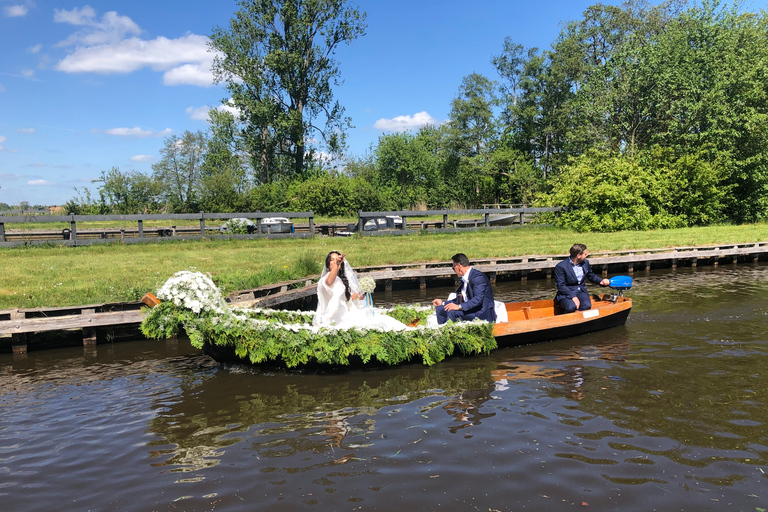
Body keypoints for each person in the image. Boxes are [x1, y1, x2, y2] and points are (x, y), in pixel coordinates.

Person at [313, 251, 407, 330]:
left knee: (378, 320)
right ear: (328, 263)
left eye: (337, 260)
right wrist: (336, 265)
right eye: (332, 260)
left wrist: (356, 296)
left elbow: (344, 299)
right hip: (333, 318)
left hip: (344, 313)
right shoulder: (325, 279)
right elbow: (329, 282)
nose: (335, 262)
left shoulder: (340, 280)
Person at [432, 253, 496, 325]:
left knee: (452, 312)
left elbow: (478, 299)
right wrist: (443, 303)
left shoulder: (477, 277)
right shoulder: (464, 279)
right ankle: (442, 331)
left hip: (481, 313)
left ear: (459, 266)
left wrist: (459, 307)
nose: (454, 271)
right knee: (440, 309)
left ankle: (451, 334)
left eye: (453, 268)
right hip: (470, 310)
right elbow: (460, 299)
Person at [554, 243, 610, 313]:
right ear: (578, 256)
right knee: (571, 307)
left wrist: (601, 281)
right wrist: (573, 296)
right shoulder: (561, 266)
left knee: (586, 306)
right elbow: (560, 285)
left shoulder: (585, 262)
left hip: (581, 291)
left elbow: (591, 275)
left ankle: (579, 318)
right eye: (585, 254)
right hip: (567, 292)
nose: (587, 255)